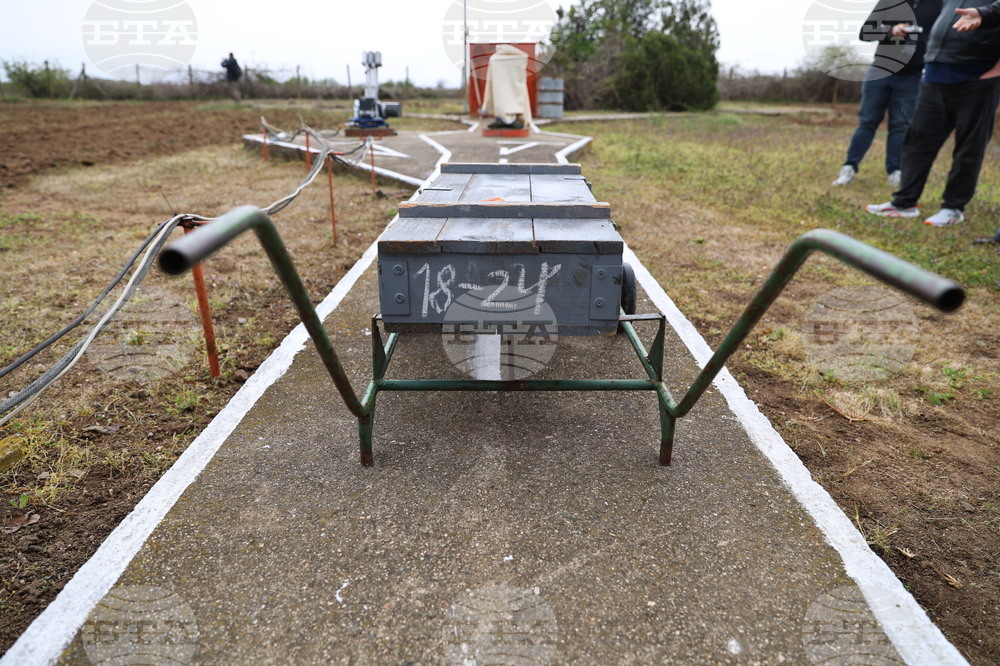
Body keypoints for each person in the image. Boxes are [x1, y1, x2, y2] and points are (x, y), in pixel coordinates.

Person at [866, 1, 1000, 226]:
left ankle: (952, 208)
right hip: (935, 74)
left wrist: (996, 72)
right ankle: (905, 203)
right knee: (917, 141)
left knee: (969, 147)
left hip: (977, 77)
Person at [833, 0, 942, 188]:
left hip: (912, 76)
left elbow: (942, 34)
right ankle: (849, 167)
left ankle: (895, 172)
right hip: (880, 71)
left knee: (901, 125)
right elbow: (865, 32)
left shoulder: (939, 4)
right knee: (867, 122)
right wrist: (891, 31)